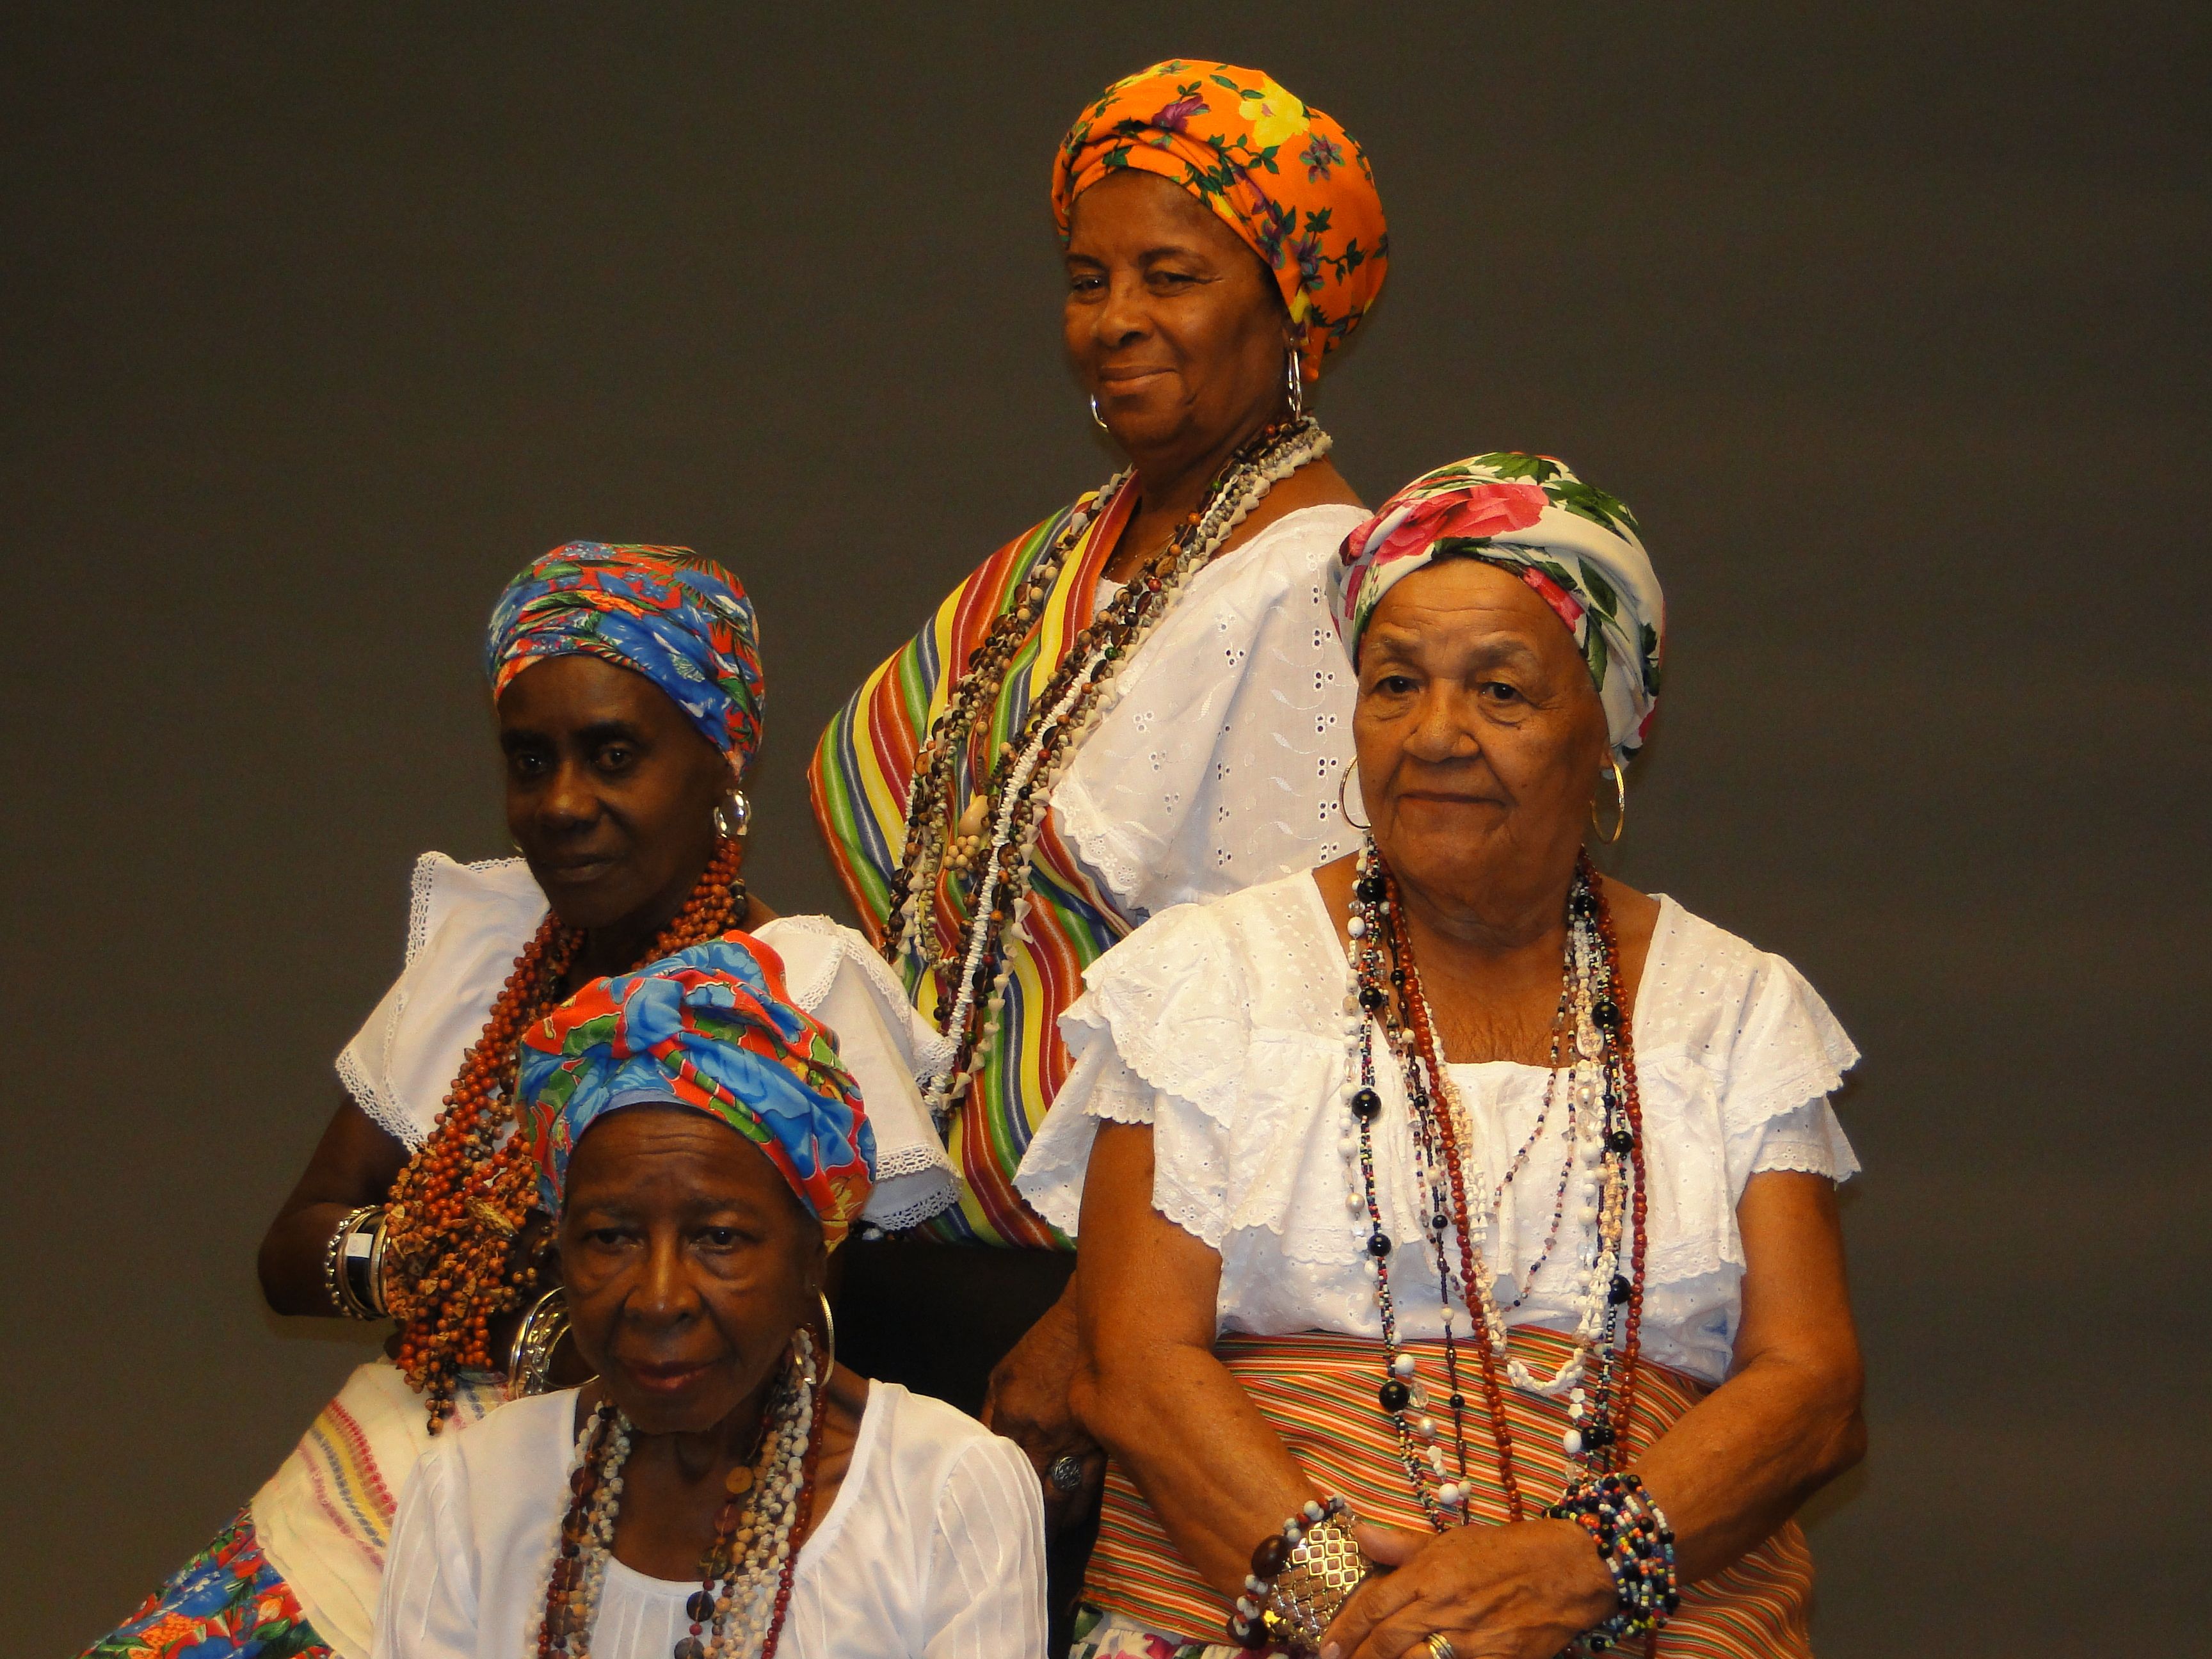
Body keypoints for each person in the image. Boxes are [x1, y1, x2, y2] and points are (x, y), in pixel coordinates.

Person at [1015, 454, 1867, 1658]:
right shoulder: (1208, 980)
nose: (1436, 735)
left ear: (1614, 727)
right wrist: (1368, 1625)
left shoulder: (1733, 1007)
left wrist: (1577, 1570)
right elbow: (1134, 1364)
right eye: (1393, 684)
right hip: (1259, 1614)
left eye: (1502, 692)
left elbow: (1813, 1385)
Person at [81, 544, 954, 1659]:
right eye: (529, 761)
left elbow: (800, 1320)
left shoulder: (800, 992)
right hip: (381, 1469)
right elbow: (289, 1251)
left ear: (725, 759)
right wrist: (468, 1265)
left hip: (641, 1511)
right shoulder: (489, 954)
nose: (562, 804)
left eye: (614, 755)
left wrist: (497, 1279)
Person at [809, 58, 1390, 1563]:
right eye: (1086, 277)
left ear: (1289, 312)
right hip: (901, 1268)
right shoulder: (1077, 550)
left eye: (1170, 275)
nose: (1114, 316)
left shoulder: (1312, 585)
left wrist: (1094, 1329)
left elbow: (1288, 1007)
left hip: (1074, 1305)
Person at [373, 934, 1046, 1658]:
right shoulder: (472, 1495)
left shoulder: (944, 1494)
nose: (660, 1299)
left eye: (719, 1239)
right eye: (611, 1238)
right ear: (560, 1248)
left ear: (812, 1257)